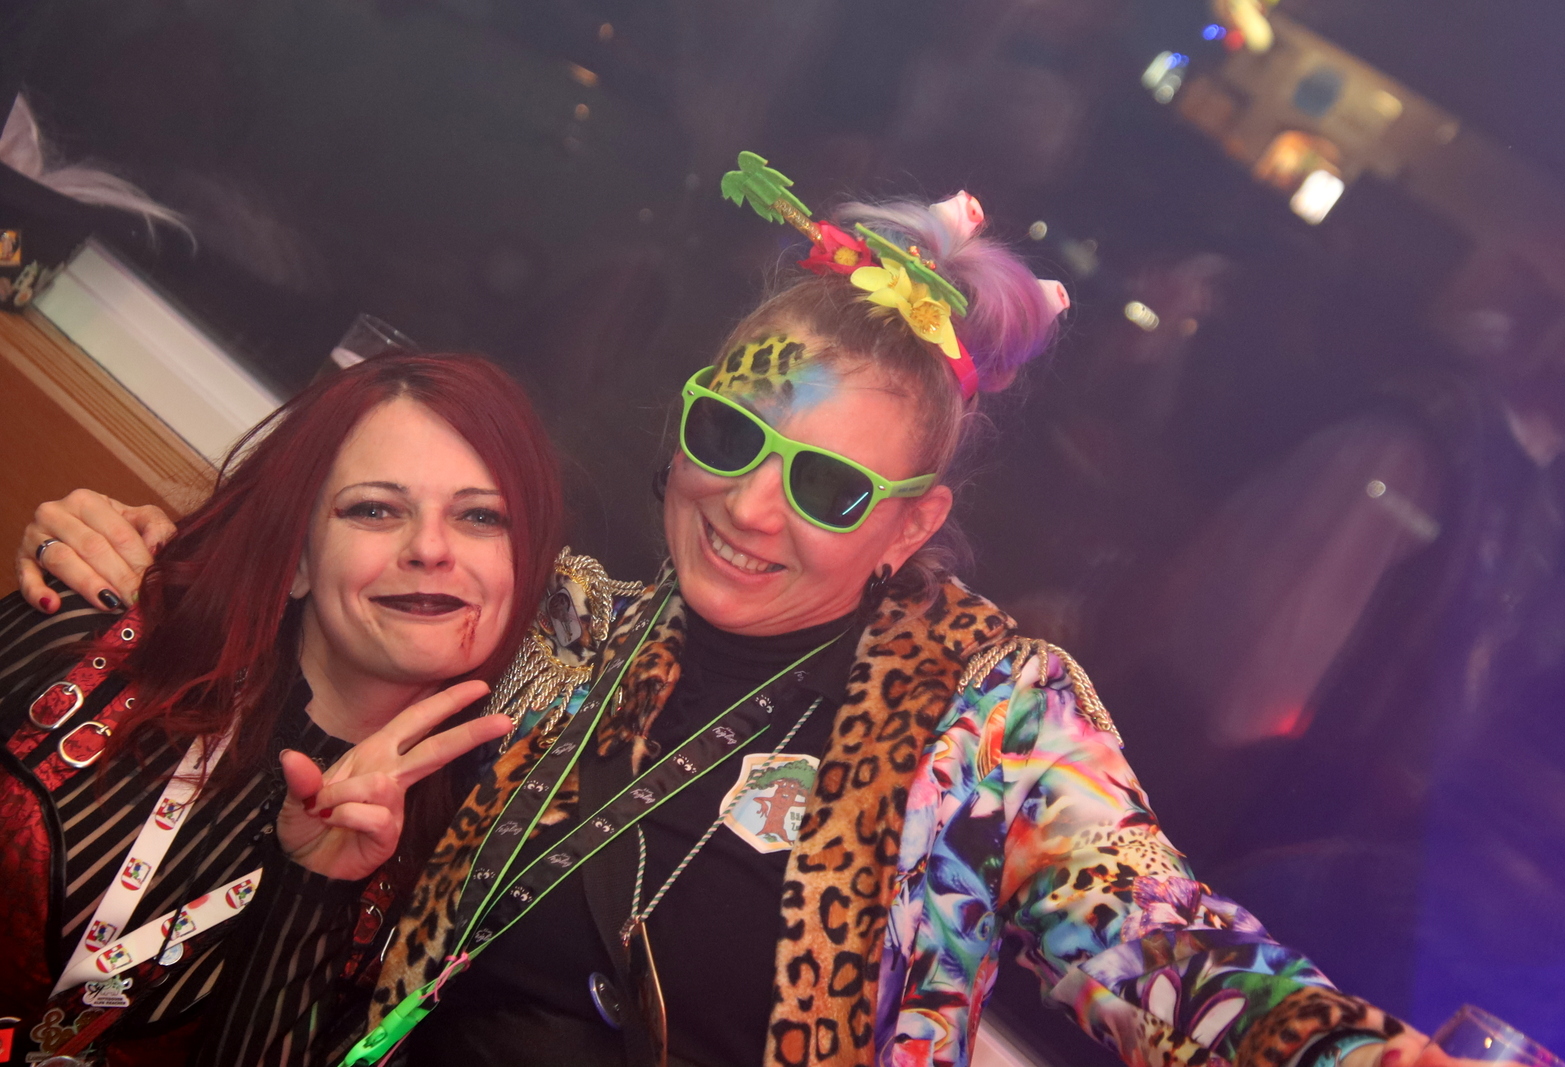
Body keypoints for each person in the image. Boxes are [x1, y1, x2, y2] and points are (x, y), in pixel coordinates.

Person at [18, 156, 1452, 1067]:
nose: (752, 507)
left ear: (911, 524)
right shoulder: (569, 626)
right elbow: (329, 591)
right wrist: (146, 552)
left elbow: (1170, 952)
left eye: (828, 483)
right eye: (730, 435)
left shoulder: (988, 715)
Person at [0, 353, 564, 1066]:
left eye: (481, 516)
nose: (429, 548)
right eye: (375, 509)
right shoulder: (90, 646)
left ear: (522, 573)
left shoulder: (453, 884)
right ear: (297, 557)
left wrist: (312, 891)